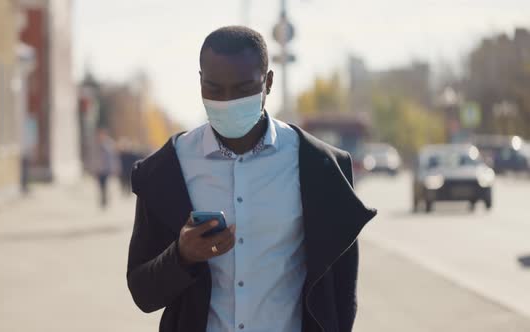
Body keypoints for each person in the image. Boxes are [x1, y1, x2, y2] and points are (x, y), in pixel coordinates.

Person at [126, 26, 377, 332]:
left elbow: (341, 294)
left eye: (243, 89)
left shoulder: (320, 167)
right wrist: (181, 255)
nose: (228, 101)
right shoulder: (165, 169)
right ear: (200, 81)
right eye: (215, 89)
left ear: (268, 83)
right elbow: (142, 292)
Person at [90, 128, 119, 209]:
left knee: (106, 185)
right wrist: (92, 169)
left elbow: (113, 157)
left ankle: (105, 199)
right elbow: (92, 158)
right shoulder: (94, 144)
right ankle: (102, 199)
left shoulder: (109, 143)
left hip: (107, 169)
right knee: (100, 186)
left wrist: (115, 168)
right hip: (98, 169)